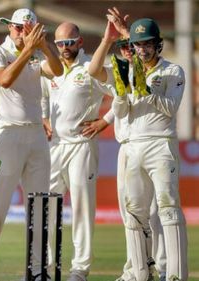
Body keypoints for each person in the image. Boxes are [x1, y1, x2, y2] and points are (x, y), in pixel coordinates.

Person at [0, 8, 63, 281]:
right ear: (9, 27)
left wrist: (43, 45)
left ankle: (38, 269)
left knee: (40, 206)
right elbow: (5, 80)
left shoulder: (36, 54)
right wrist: (29, 50)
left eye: (27, 29)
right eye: (17, 28)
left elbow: (57, 69)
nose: (21, 33)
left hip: (36, 137)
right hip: (7, 135)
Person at [87, 9, 170, 281]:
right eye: (127, 47)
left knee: (157, 212)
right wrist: (109, 39)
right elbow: (94, 70)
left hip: (154, 142)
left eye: (133, 47)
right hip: (128, 146)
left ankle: (163, 266)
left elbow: (144, 91)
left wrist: (127, 35)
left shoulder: (157, 70)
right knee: (132, 214)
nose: (129, 52)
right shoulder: (121, 70)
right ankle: (136, 270)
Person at [40, 22, 114, 281]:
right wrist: (43, 117)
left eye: (69, 42)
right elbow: (43, 93)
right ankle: (44, 267)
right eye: (60, 43)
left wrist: (105, 120)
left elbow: (121, 93)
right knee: (45, 206)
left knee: (82, 207)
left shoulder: (91, 67)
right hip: (56, 145)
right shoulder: (53, 68)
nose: (65, 48)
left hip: (82, 145)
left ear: (80, 42)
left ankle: (79, 271)